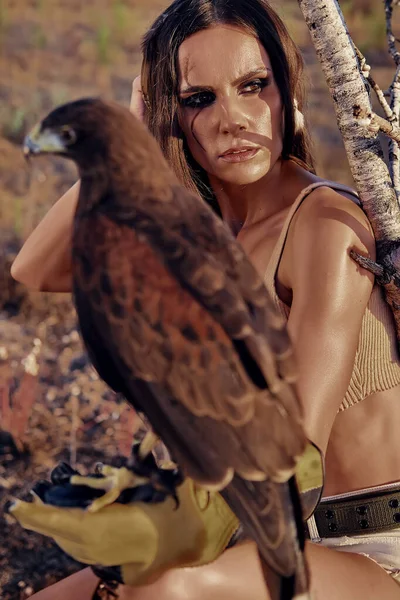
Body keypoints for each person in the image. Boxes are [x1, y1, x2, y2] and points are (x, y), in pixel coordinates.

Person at [10, 0, 400, 598]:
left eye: (252, 86)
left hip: (371, 552)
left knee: (172, 588)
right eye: (200, 99)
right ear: (173, 116)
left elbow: (295, 465)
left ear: (284, 90)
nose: (234, 118)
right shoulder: (201, 240)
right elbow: (38, 268)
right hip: (247, 533)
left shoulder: (325, 222)